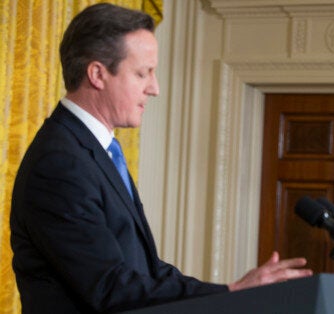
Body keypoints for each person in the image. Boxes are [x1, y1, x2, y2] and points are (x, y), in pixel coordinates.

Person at [9, 3, 312, 313]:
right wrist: (230, 292)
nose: (154, 88)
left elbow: (147, 270)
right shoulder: (59, 164)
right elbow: (110, 286)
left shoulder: (94, 151)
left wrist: (227, 292)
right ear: (98, 74)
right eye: (143, 73)